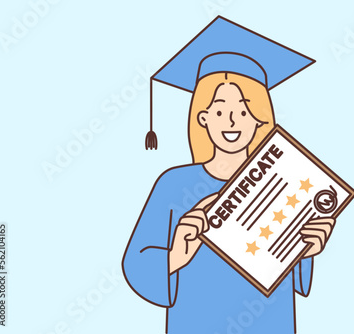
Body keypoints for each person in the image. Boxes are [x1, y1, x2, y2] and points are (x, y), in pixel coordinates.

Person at [122, 17, 336, 333]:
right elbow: (136, 262)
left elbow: (287, 269)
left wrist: (305, 249)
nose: (232, 121)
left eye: (244, 110)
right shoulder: (174, 184)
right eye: (220, 110)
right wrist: (175, 256)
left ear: (259, 119)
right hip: (196, 322)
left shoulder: (282, 181)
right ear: (203, 117)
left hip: (269, 321)